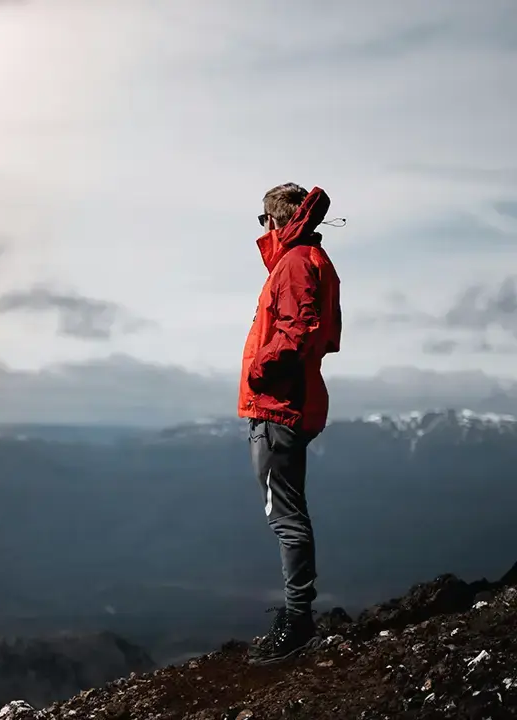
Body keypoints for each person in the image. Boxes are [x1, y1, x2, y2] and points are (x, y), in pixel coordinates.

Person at [238, 182, 342, 665]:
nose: (263, 227)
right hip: (291, 402)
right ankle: (298, 614)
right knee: (288, 512)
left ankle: (298, 621)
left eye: (265, 219)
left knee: (285, 515)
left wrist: (261, 366)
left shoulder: (296, 263)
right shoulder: (309, 261)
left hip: (279, 405)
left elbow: (299, 331)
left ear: (279, 219)